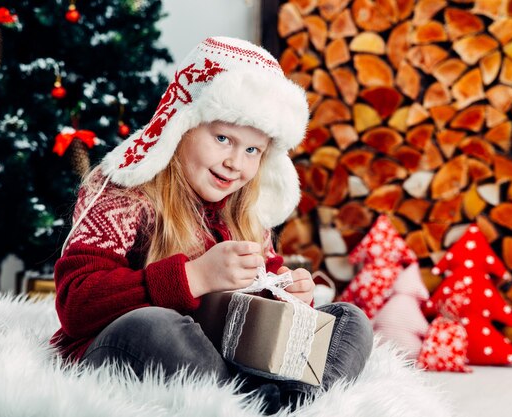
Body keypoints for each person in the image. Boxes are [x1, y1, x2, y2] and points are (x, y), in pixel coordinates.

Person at [51, 36, 373, 413]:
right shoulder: (125, 192)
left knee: (348, 320)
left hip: (229, 356)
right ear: (182, 125)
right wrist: (194, 277)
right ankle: (240, 404)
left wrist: (288, 295)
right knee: (156, 325)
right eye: (223, 138)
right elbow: (77, 304)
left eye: (252, 150)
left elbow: (260, 291)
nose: (236, 163)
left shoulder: (243, 208)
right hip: (128, 350)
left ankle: (291, 406)